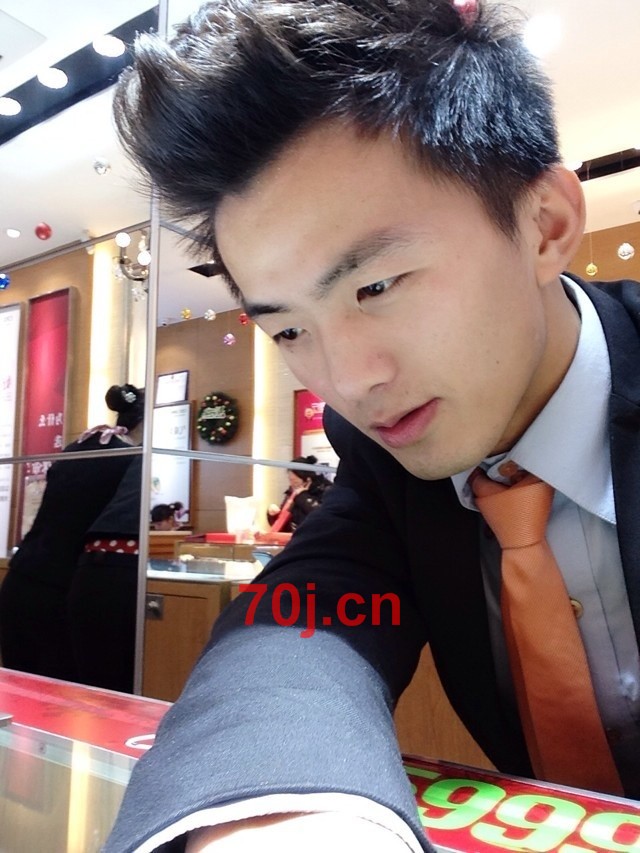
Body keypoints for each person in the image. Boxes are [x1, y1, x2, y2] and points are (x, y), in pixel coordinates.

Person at [106, 0, 640, 850]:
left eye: (377, 286)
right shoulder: (391, 461)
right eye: (289, 330)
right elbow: (304, 620)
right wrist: (280, 817)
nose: (348, 381)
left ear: (545, 226)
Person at [0, 384, 144, 681]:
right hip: (62, 591)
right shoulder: (131, 459)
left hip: (20, 578)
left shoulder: (77, 447)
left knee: (19, 693)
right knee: (58, 697)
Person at [67, 456, 143, 694]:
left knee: (93, 684)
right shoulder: (140, 459)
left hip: (88, 567)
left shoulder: (120, 460)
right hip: (124, 568)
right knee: (120, 685)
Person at [267, 456, 333, 532]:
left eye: (295, 481)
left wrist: (302, 496)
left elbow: (323, 517)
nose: (291, 484)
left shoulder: (326, 490)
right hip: (294, 537)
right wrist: (273, 515)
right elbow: (283, 525)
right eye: (290, 480)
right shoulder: (292, 491)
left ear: (308, 479)